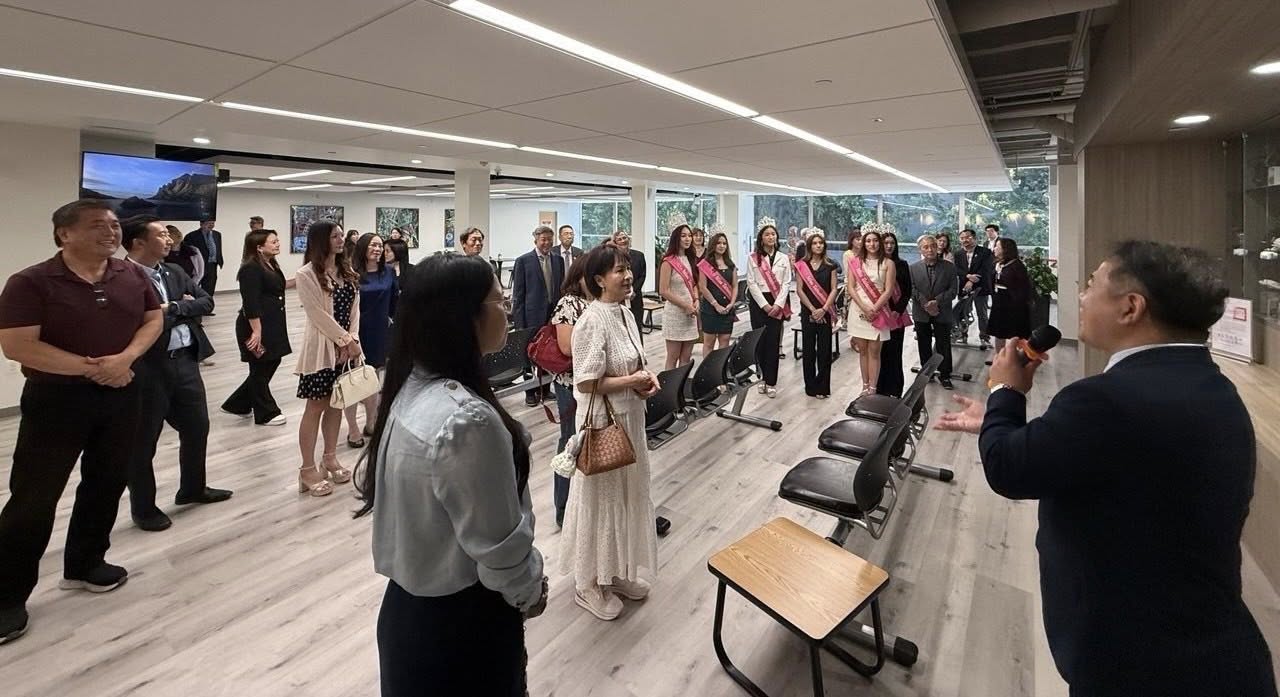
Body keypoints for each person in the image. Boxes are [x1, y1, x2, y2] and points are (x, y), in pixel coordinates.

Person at [936, 241, 1277, 696]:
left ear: (1130, 307)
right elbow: (1105, 455)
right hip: (1206, 649)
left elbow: (1008, 469)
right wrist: (1002, 422)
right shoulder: (1210, 387)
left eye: (1092, 285)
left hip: (1139, 663)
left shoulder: (1105, 399)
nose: (1080, 295)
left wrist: (1005, 391)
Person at [353, 254, 547, 697]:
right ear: (465, 316)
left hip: (409, 614)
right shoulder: (467, 421)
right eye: (499, 300)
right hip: (461, 628)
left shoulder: (412, 387)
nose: (508, 309)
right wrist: (531, 590)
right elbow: (499, 548)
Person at [0, 200, 163, 645]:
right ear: (64, 234)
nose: (110, 232)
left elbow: (153, 318)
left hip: (122, 393)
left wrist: (126, 358)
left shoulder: (131, 274)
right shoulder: (31, 281)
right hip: (56, 399)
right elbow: (18, 345)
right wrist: (94, 369)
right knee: (34, 496)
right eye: (96, 225)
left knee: (107, 481)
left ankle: (86, 563)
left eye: (113, 225)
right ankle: (7, 595)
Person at [560, 244, 660, 622]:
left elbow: (633, 364)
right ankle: (588, 582)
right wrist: (633, 380)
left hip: (629, 418)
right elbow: (586, 382)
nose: (628, 275)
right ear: (599, 280)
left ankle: (613, 571)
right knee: (601, 500)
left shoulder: (626, 313)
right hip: (602, 423)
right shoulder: (591, 320)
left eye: (628, 268)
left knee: (626, 494)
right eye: (619, 270)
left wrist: (645, 380)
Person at [121, 215, 231, 532]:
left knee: (197, 427)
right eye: (161, 235)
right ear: (138, 243)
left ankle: (192, 488)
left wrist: (174, 308)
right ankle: (143, 508)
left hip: (185, 361)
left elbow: (206, 302)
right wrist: (175, 310)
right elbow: (134, 321)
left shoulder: (174, 271)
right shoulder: (121, 278)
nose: (169, 239)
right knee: (144, 440)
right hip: (147, 367)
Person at [294, 221, 362, 497]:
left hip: (347, 350)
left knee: (337, 404)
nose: (341, 240)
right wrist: (344, 340)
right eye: (335, 236)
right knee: (316, 406)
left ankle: (330, 457)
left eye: (342, 235)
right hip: (322, 350)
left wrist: (353, 338)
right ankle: (307, 469)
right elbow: (317, 314)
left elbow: (355, 309)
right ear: (321, 240)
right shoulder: (306, 274)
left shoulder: (347, 271)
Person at [222, 230, 293, 427]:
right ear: (259, 247)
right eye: (273, 242)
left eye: (277, 240)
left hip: (272, 324)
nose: (278, 244)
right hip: (255, 326)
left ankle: (238, 403)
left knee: (272, 360)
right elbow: (250, 302)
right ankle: (266, 413)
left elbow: (278, 287)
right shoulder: (250, 269)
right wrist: (257, 331)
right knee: (260, 367)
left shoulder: (270, 265)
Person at [343, 233, 397, 449]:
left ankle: (371, 422)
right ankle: (352, 428)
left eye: (380, 246)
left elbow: (394, 302)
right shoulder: (351, 273)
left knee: (373, 378)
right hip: (356, 332)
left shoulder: (389, 272)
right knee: (353, 380)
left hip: (380, 331)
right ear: (363, 247)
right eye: (373, 245)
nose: (378, 249)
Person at [548, 261, 591, 528]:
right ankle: (563, 509)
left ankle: (584, 505)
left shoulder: (598, 302)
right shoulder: (568, 303)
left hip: (594, 383)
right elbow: (566, 347)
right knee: (570, 442)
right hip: (570, 384)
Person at [512, 226, 565, 407]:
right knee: (528, 355)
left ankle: (545, 389)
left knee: (548, 352)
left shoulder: (558, 260)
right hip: (530, 317)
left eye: (550, 239)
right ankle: (530, 392)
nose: (547, 243)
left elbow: (561, 289)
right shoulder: (523, 261)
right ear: (535, 240)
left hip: (552, 316)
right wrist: (519, 323)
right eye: (543, 239)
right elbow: (518, 295)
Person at [845, 227, 897, 396]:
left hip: (878, 311)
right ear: (863, 243)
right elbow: (851, 287)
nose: (872, 244)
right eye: (868, 241)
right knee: (862, 351)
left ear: (879, 243)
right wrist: (864, 307)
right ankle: (865, 386)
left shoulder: (888, 263)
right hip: (858, 310)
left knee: (874, 352)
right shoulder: (855, 262)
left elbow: (888, 290)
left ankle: (873, 389)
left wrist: (874, 309)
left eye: (875, 240)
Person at [746, 219, 791, 398]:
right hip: (759, 303)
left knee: (773, 342)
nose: (771, 237)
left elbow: (786, 283)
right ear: (761, 238)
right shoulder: (753, 258)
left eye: (773, 234)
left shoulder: (784, 258)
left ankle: (771, 381)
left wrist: (778, 304)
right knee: (759, 341)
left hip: (777, 300)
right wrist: (764, 305)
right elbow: (751, 282)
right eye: (767, 234)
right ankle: (761, 378)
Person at [909, 235, 958, 390]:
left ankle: (945, 375)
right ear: (920, 250)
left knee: (943, 344)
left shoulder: (949, 267)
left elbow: (953, 290)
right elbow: (911, 289)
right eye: (926, 247)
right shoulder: (913, 268)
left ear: (937, 247)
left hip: (942, 311)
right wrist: (925, 303)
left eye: (932, 246)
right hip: (921, 311)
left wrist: (936, 301)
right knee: (923, 343)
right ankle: (926, 373)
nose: (930, 249)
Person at [795, 231, 838, 398]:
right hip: (808, 311)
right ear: (809, 246)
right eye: (815, 243)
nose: (818, 245)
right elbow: (799, 290)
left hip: (825, 311)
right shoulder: (802, 265)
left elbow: (834, 289)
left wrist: (824, 309)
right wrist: (813, 309)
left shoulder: (830, 265)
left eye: (821, 243)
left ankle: (822, 387)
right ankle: (810, 386)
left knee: (824, 350)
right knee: (808, 349)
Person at [876, 232, 913, 397]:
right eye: (886, 243)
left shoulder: (902, 264)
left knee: (895, 352)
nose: (889, 246)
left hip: (896, 315)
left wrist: (897, 310)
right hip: (879, 314)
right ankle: (879, 388)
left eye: (892, 243)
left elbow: (907, 291)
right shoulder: (875, 264)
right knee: (879, 353)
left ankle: (895, 389)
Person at [659, 222, 699, 370]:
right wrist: (685, 305)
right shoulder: (668, 261)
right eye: (683, 236)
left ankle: (682, 383)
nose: (687, 239)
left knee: (686, 357)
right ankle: (669, 384)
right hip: (675, 314)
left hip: (691, 314)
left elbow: (694, 284)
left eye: (689, 236)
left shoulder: (690, 259)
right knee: (673, 356)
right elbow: (664, 290)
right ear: (676, 238)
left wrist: (696, 300)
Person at [696, 229, 737, 359]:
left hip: (727, 309)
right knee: (709, 342)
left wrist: (732, 303)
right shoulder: (705, 264)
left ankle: (720, 368)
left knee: (724, 342)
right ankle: (707, 369)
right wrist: (715, 304)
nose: (722, 246)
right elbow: (703, 287)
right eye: (719, 243)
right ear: (713, 245)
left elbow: (735, 286)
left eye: (724, 243)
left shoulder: (731, 264)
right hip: (710, 309)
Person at [952, 228, 995, 349]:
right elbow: (957, 269)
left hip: (981, 286)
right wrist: (968, 276)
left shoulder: (985, 252)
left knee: (982, 313)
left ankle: (984, 337)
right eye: (962, 238)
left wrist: (971, 280)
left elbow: (986, 269)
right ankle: (962, 335)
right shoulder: (958, 254)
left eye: (968, 237)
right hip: (964, 287)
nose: (965, 240)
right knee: (962, 312)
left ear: (975, 238)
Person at [988, 238, 1033, 353]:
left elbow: (1023, 287)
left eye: (997, 246)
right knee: (999, 332)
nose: (994, 249)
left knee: (1016, 332)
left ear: (1005, 249)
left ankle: (1019, 357)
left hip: (1013, 302)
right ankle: (999, 357)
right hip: (999, 301)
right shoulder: (998, 263)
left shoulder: (1017, 265)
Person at [612, 230, 647, 336]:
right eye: (619, 239)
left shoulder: (639, 255)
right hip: (618, 298)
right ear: (615, 243)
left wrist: (632, 291)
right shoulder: (613, 258)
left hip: (635, 297)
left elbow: (642, 275)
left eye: (625, 238)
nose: (623, 241)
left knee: (637, 326)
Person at [181, 219, 223, 299]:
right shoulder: (191, 236)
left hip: (212, 265)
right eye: (208, 223)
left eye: (213, 223)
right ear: (201, 224)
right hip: (198, 266)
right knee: (194, 287)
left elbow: (218, 248)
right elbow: (187, 252)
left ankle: (207, 302)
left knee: (210, 288)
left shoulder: (217, 234)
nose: (211, 225)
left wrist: (219, 260)